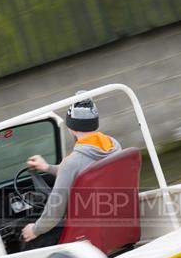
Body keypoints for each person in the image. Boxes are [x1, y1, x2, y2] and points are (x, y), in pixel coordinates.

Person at [20, 92, 122, 249]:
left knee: (30, 240)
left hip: (88, 236)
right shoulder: (114, 146)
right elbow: (77, 168)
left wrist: (34, 230)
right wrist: (47, 167)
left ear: (71, 128)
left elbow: (54, 212)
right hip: (117, 222)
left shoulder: (73, 163)